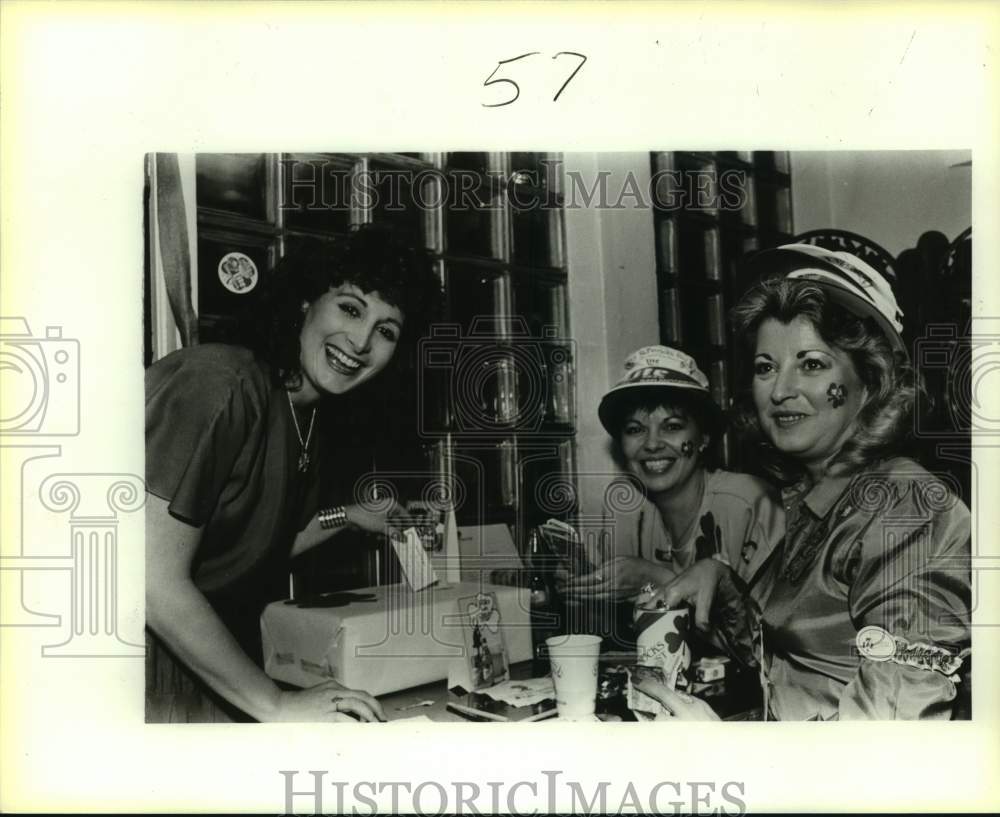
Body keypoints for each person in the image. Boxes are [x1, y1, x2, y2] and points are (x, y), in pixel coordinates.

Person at [646, 244, 972, 720]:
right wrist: (725, 586)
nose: (779, 390)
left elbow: (894, 748)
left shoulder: (908, 507)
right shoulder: (815, 498)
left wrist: (722, 754)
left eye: (812, 363)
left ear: (871, 381)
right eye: (765, 367)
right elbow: (799, 666)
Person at [145, 228, 440, 723]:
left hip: (190, 657)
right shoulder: (221, 384)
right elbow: (148, 578)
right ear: (305, 303)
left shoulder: (306, 415)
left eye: (387, 330)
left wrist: (350, 516)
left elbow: (262, 547)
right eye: (350, 308)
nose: (362, 341)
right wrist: (278, 704)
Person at [559, 345, 785, 640]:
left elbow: (772, 643)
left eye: (672, 426)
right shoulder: (623, 507)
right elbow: (611, 637)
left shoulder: (749, 503)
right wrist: (585, 592)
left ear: (703, 437)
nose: (652, 444)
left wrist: (654, 577)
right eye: (634, 429)